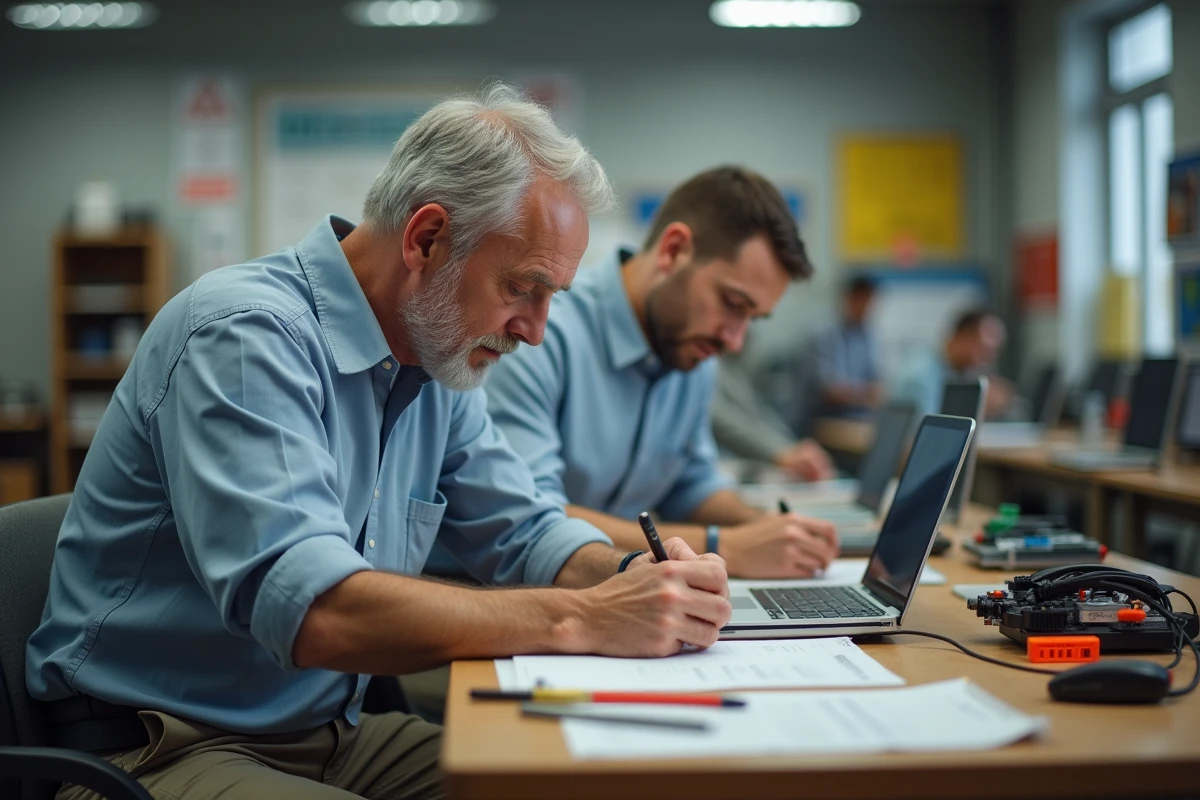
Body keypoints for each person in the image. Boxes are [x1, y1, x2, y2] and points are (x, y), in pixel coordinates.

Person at [26, 85, 731, 800]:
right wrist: (585, 618)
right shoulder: (243, 335)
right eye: (524, 288)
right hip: (161, 747)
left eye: (554, 299)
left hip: (334, 734)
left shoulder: (438, 360)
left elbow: (524, 531)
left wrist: (634, 578)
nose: (535, 329)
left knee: (589, 782)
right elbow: (316, 611)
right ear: (426, 240)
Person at [483, 166, 839, 581]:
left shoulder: (693, 352)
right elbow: (533, 513)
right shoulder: (539, 333)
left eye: (752, 318)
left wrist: (769, 529)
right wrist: (726, 548)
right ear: (673, 250)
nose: (735, 340)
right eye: (731, 303)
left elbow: (692, 485)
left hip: (617, 590)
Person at [710, 344, 835, 480]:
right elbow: (719, 418)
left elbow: (758, 412)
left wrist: (792, 448)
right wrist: (781, 452)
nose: (737, 341)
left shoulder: (730, 366)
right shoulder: (706, 365)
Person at [890, 308, 1014, 418]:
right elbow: (927, 432)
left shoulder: (956, 372)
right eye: (983, 348)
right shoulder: (919, 377)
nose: (988, 358)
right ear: (961, 337)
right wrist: (980, 407)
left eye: (994, 351)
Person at [814, 276, 882, 419]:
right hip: (827, 420)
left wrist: (857, 393)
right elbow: (831, 391)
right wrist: (866, 394)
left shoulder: (867, 335)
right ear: (848, 299)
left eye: (869, 302)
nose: (865, 308)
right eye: (861, 301)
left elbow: (878, 385)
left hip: (860, 420)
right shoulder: (827, 334)